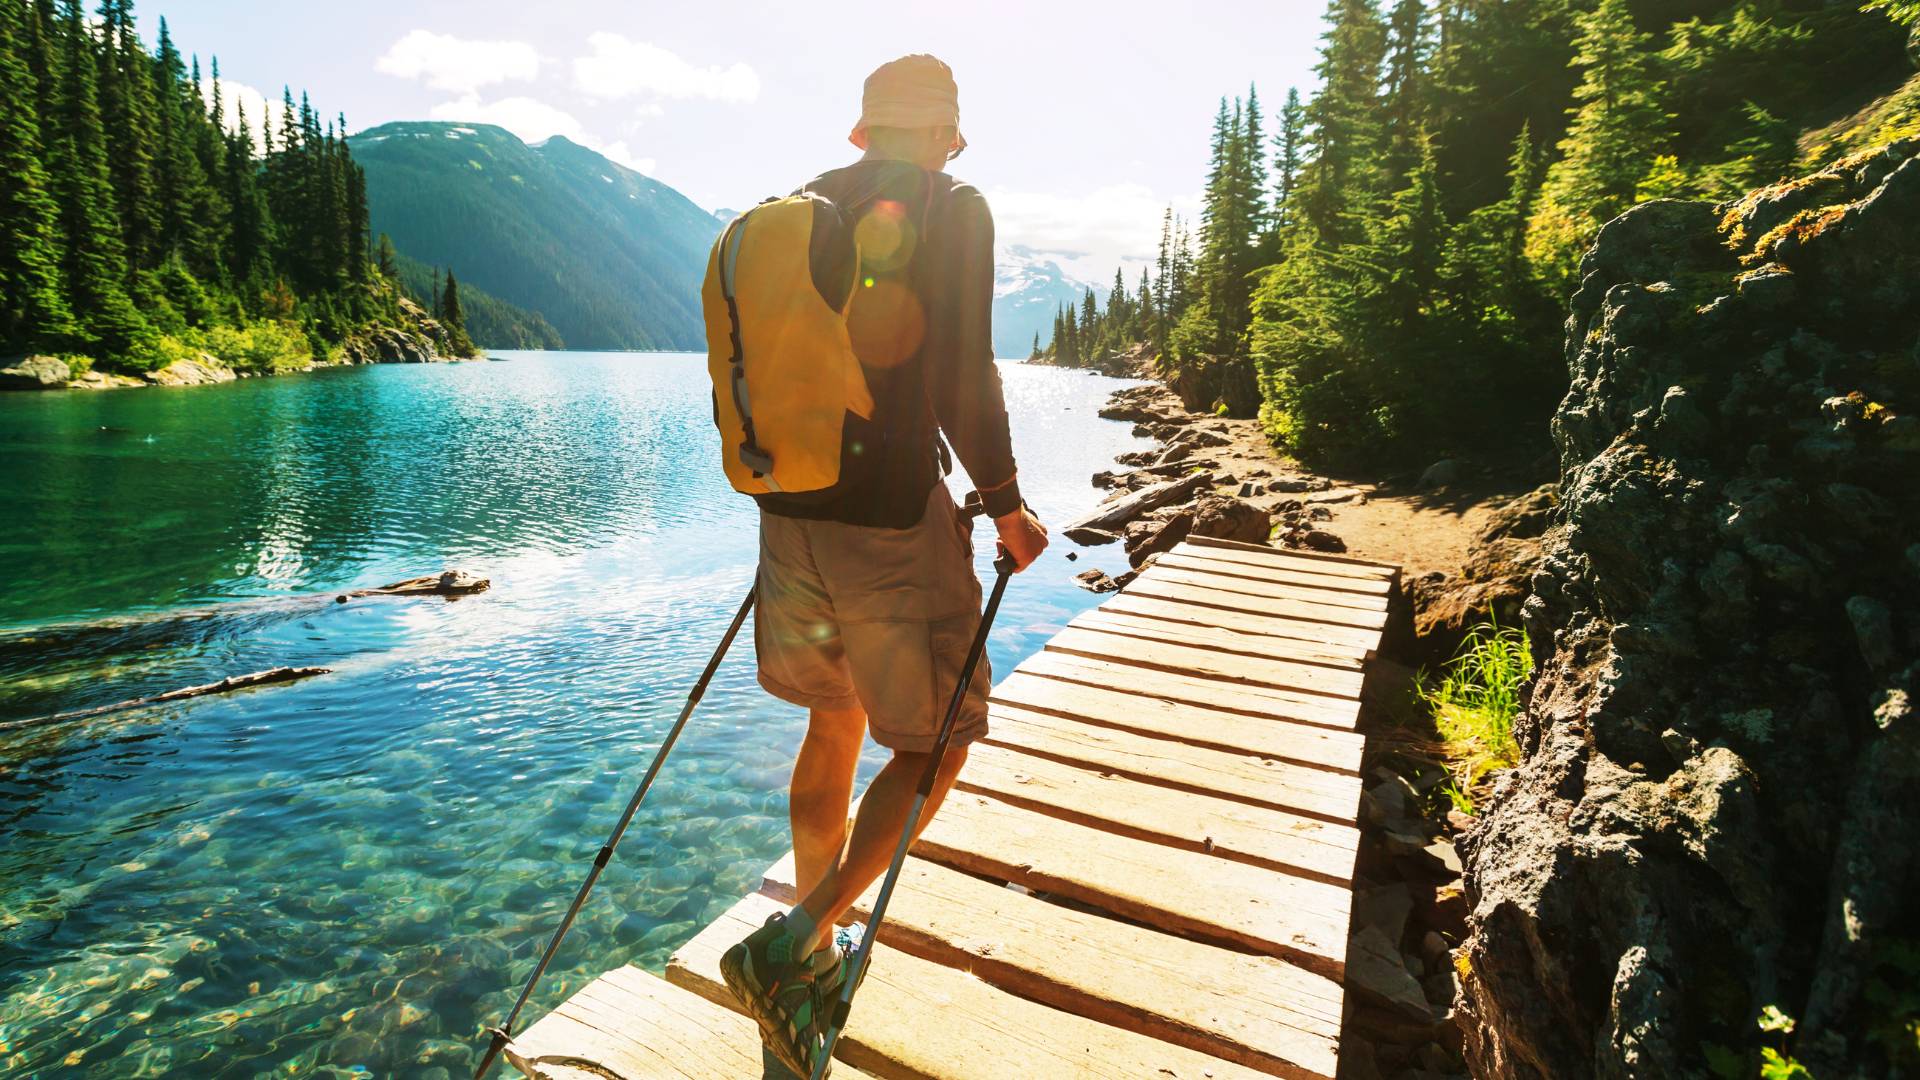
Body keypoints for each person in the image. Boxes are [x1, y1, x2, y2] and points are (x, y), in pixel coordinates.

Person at [716, 53, 1049, 1077]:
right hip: (894, 524)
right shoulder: (953, 206)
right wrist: (1006, 504)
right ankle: (796, 941)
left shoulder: (801, 211)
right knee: (939, 740)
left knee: (836, 716)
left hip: (789, 517)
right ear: (948, 136)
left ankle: (813, 949)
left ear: (862, 133)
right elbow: (960, 372)